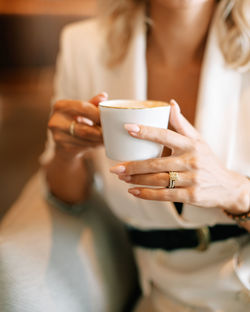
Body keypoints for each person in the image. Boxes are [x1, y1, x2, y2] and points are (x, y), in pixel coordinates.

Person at [43, 0, 250, 311]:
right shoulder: (83, 47)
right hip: (166, 298)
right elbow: (69, 196)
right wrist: (64, 153)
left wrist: (236, 192)